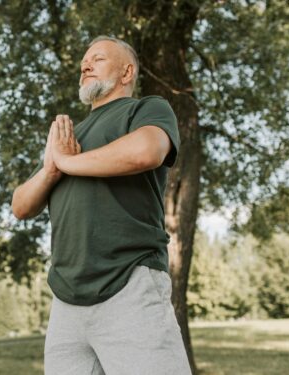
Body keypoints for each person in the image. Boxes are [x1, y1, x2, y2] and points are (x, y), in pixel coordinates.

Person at [12, 36, 192, 374]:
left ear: (126, 72)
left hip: (130, 283)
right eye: (84, 62)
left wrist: (66, 163)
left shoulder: (146, 109)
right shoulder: (68, 138)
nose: (85, 65)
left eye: (98, 59)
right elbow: (21, 206)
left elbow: (146, 151)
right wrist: (52, 168)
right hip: (66, 300)